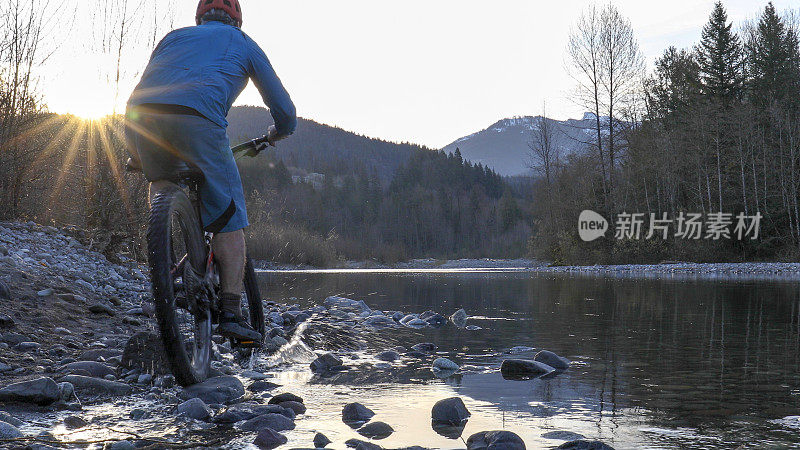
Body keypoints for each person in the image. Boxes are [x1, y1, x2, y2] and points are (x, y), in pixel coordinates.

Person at [126, 0, 296, 342]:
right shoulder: (243, 43)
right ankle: (231, 313)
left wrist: (136, 153)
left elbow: (151, 78)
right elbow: (285, 111)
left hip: (139, 117)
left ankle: (166, 264)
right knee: (228, 218)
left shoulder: (173, 37)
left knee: (159, 179)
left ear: (199, 18)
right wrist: (279, 130)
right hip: (199, 122)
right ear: (236, 20)